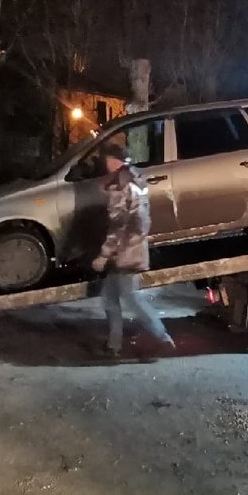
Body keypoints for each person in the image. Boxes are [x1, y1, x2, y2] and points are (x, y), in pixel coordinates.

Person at [91, 142, 176, 358]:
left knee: (132, 299)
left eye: (107, 159)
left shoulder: (122, 183)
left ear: (114, 160)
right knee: (109, 298)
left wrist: (104, 254)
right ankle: (114, 346)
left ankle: (162, 337)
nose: (105, 164)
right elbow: (140, 218)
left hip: (126, 251)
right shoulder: (134, 177)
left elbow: (119, 223)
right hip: (130, 248)